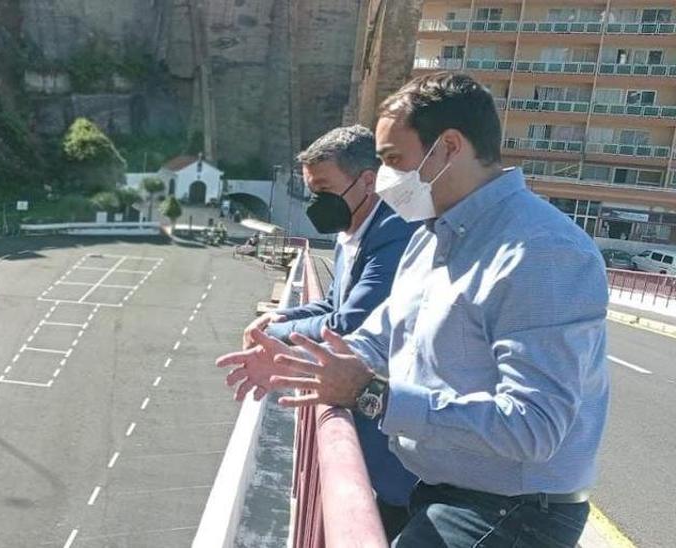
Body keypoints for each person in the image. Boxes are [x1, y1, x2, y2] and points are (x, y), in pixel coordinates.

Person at [217, 72, 609, 547]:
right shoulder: (430, 234)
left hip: (513, 514)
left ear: (448, 146)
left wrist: (372, 395)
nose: (384, 182)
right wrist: (295, 363)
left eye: (393, 160)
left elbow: (533, 426)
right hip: (446, 493)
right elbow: (379, 339)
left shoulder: (540, 251)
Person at [232, 125, 420, 538]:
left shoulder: (396, 233)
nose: (317, 202)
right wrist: (278, 320)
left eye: (324, 189)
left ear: (368, 181)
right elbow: (333, 305)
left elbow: (350, 323)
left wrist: (280, 335)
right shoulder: (352, 228)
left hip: (403, 444)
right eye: (311, 190)